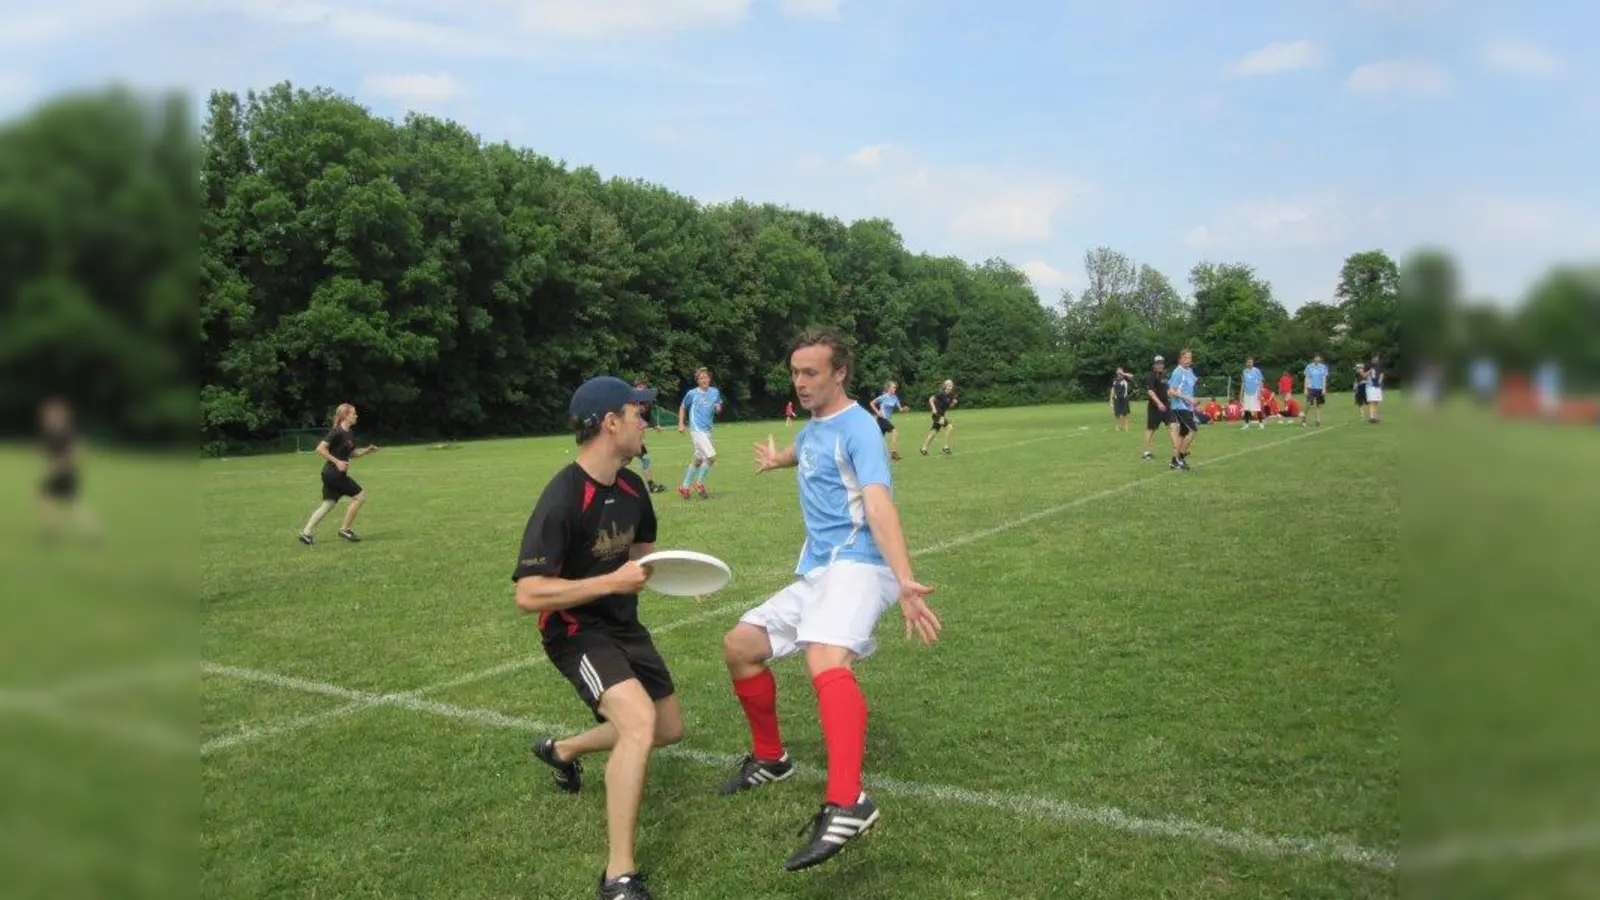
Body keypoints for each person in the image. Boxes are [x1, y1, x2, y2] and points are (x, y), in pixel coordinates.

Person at [720, 327, 942, 873]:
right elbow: (811, 449)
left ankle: (849, 801)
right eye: (795, 372)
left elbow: (879, 502)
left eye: (811, 372)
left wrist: (905, 579)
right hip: (820, 570)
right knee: (741, 646)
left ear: (840, 372)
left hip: (861, 563)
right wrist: (781, 460)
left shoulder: (861, 427)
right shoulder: (818, 426)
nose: (800, 382)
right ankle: (772, 760)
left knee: (824, 656)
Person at [516, 376, 683, 900]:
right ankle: (619, 875)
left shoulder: (634, 488)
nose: (646, 422)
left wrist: (685, 577)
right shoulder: (563, 496)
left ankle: (563, 750)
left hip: (623, 624)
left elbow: (643, 555)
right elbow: (529, 593)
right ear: (611, 422)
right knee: (637, 723)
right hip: (574, 628)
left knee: (667, 728)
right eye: (639, 413)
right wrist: (610, 582)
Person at [297, 403, 378, 545]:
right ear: (345, 416)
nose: (356, 415)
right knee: (359, 497)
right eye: (353, 413)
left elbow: (351, 453)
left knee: (328, 504)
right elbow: (320, 449)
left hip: (331, 475)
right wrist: (337, 462)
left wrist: (366, 450)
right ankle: (345, 529)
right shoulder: (337, 432)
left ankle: (306, 533)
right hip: (333, 474)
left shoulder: (349, 433)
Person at [36, 398, 100, 542]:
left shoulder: (63, 432)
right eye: (46, 414)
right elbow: (50, 452)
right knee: (64, 502)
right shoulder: (52, 432)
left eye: (50, 414)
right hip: (63, 473)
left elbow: (78, 451)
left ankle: (54, 531)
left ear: (60, 416)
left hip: (65, 473)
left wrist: (62, 465)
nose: (47, 417)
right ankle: (91, 532)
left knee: (49, 499)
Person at [676, 367, 723, 500]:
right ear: (697, 381)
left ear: (709, 378)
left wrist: (718, 408)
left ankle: (684, 487)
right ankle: (699, 483)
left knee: (698, 459)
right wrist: (681, 423)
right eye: (701, 378)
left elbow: (718, 406)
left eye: (706, 377)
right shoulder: (692, 393)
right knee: (711, 456)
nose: (704, 380)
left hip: (708, 430)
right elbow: (683, 406)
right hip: (696, 429)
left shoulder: (715, 392)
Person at [1167, 349, 1201, 470]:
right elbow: (1171, 391)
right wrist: (1187, 398)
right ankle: (1180, 458)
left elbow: (1192, 384)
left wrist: (1194, 400)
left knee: (1183, 433)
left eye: (1190, 358)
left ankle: (1174, 461)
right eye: (1185, 358)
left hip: (1188, 407)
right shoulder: (1178, 372)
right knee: (1193, 431)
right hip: (1179, 406)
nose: (1188, 360)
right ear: (1180, 359)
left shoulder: (1189, 371)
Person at [631, 378, 667, 493]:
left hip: (637, 437)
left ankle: (651, 485)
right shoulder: (630, 401)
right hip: (627, 436)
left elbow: (648, 418)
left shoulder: (647, 403)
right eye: (639, 388)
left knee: (645, 459)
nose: (641, 391)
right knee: (621, 460)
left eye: (644, 388)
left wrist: (655, 426)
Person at [918, 379, 958, 456]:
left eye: (951, 385)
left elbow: (949, 406)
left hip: (941, 415)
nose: (951, 386)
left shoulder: (951, 395)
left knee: (934, 432)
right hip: (937, 414)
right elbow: (931, 399)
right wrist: (933, 408)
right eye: (949, 385)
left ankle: (924, 448)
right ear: (945, 386)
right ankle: (945, 447)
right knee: (949, 427)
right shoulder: (941, 394)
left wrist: (953, 403)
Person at [1142, 356, 1170, 461]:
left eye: (1161, 363)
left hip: (1167, 405)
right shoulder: (1151, 376)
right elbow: (1150, 391)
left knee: (1173, 426)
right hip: (1155, 407)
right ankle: (1146, 452)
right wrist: (1158, 403)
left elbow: (1167, 389)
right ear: (1154, 365)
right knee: (1151, 429)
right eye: (1158, 363)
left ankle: (1179, 451)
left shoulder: (1164, 376)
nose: (1160, 365)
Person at [869, 380, 904, 460]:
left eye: (895, 387)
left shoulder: (895, 398)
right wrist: (878, 412)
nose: (895, 389)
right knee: (894, 432)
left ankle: (873, 454)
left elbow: (900, 409)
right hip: (882, 419)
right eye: (893, 387)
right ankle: (893, 453)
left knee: (879, 439)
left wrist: (904, 409)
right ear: (889, 388)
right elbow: (872, 403)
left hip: (886, 420)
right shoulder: (884, 397)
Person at [1302, 353, 1329, 427]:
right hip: (1311, 388)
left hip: (1319, 388)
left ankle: (1318, 420)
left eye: (1318, 358)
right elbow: (1306, 378)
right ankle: (1304, 416)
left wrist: (1324, 388)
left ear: (1320, 359)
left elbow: (1324, 378)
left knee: (1319, 405)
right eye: (1316, 358)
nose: (1317, 359)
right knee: (1308, 404)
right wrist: (1305, 388)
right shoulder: (1309, 367)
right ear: (1314, 359)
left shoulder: (1323, 367)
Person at [1240, 358, 1265, 429]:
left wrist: (1260, 392)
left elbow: (1261, 382)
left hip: (1255, 392)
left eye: (1251, 362)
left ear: (1253, 363)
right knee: (1246, 408)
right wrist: (1241, 393)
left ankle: (1261, 423)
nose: (1250, 364)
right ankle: (1246, 424)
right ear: (1246, 363)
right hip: (1247, 392)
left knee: (1257, 408)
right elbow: (1243, 382)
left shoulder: (1257, 371)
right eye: (1248, 362)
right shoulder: (1244, 371)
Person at [1365, 354, 1385, 424]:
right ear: (1372, 358)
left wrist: (1380, 380)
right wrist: (1369, 371)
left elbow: (1382, 373)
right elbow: (1364, 375)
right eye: (1375, 358)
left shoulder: (1379, 365)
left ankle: (1375, 417)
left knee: (1376, 402)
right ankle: (1371, 418)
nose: (1376, 359)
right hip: (1370, 386)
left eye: (1377, 358)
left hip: (1377, 386)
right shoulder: (1368, 365)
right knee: (1372, 401)